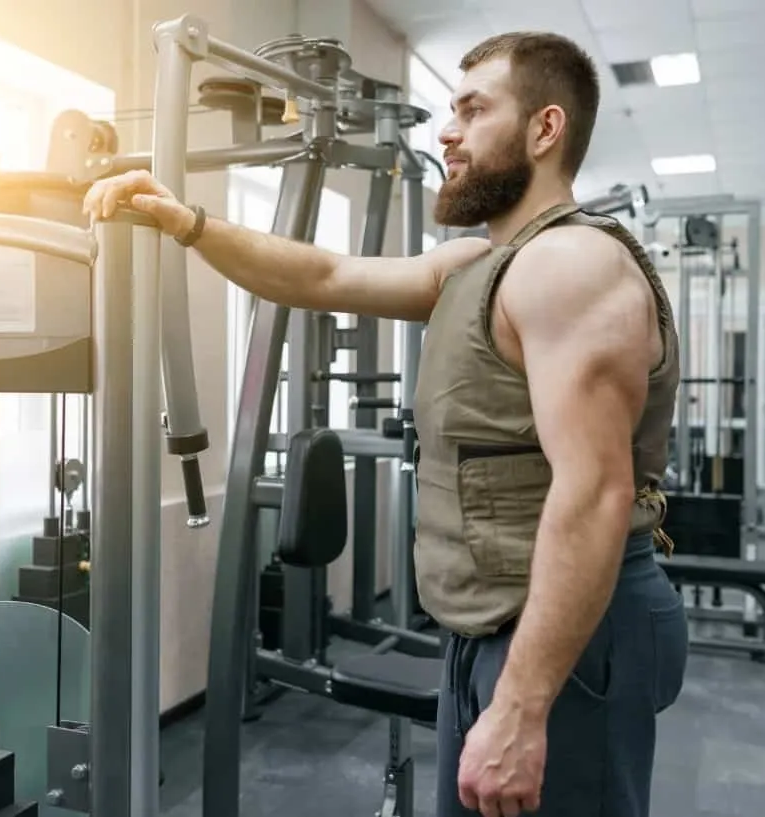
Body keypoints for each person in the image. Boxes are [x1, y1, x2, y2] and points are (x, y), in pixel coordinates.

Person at [84, 30, 689, 817]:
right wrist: (189, 223)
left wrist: (522, 704)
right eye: (451, 111)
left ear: (545, 130)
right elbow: (325, 273)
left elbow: (597, 492)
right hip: (497, 618)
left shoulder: (571, 266)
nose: (448, 132)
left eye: (474, 111)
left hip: (568, 628)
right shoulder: (482, 264)